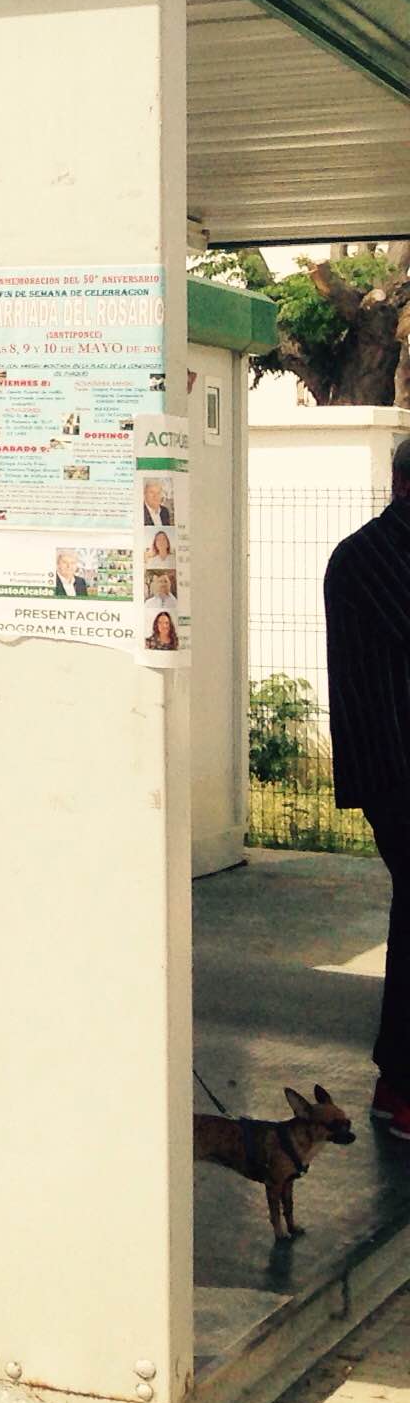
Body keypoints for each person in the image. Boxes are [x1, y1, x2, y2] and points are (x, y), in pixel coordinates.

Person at [324, 434, 410, 1141]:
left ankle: (396, 1082)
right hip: (399, 773)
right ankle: (399, 1085)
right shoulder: (375, 555)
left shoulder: (362, 554)